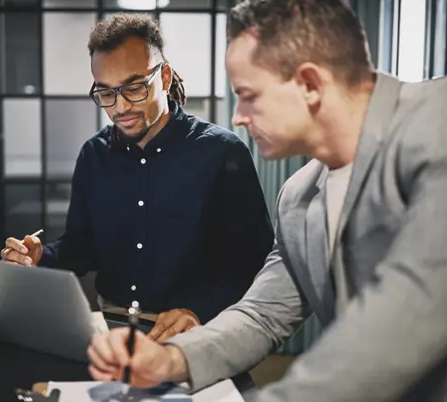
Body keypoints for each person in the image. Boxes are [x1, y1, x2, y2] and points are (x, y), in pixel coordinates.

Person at [86, 0, 447, 400]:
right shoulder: (296, 198)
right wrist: (171, 360)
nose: (237, 116)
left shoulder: (437, 126)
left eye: (247, 95)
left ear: (310, 84)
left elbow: (406, 319)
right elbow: (262, 314)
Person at [0, 13, 274, 342]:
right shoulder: (94, 155)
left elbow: (253, 263)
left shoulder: (222, 153)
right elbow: (81, 248)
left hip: (196, 331)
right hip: (110, 327)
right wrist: (41, 256)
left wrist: (198, 309)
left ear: (166, 77)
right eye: (106, 93)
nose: (120, 107)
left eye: (134, 88)